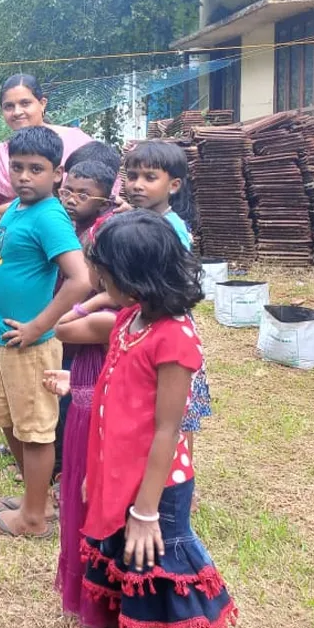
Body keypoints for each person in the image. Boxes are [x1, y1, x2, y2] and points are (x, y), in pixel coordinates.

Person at [61, 211, 237, 628]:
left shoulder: (174, 336)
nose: (98, 279)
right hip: (124, 481)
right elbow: (116, 402)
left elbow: (167, 429)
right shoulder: (128, 320)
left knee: (187, 589)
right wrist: (97, 476)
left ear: (135, 275)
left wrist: (144, 510)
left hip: (156, 490)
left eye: (105, 272)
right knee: (143, 583)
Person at [0, 126, 89, 540]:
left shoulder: (49, 215)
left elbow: (79, 279)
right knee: (10, 422)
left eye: (36, 169)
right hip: (2, 339)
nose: (24, 177)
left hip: (30, 345)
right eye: (17, 167)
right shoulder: (18, 207)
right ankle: (33, 499)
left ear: (57, 174)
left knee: (36, 430)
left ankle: (35, 519)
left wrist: (41, 325)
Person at [50, 159, 121, 628]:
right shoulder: (133, 316)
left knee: (94, 508)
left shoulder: (111, 320)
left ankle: (111, 616)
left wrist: (90, 297)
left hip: (98, 419)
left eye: (96, 271)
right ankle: (97, 613)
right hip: (84, 398)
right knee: (83, 501)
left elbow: (63, 326)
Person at [122, 140, 210, 503]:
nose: (137, 184)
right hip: (145, 321)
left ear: (173, 185)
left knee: (175, 411)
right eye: (132, 176)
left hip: (167, 325)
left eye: (149, 177)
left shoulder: (171, 229)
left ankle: (176, 481)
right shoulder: (138, 219)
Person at [0, 73, 94, 229]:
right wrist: (18, 208)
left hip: (71, 238)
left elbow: (102, 190)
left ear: (42, 104)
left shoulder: (76, 142)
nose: (16, 112)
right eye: (9, 106)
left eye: (25, 103)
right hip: (18, 244)